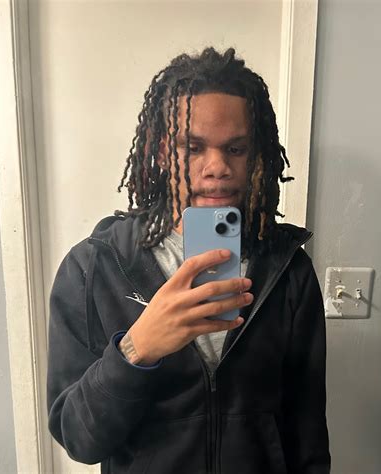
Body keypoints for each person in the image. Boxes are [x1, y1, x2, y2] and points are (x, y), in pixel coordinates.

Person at [47, 47, 330, 474]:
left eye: (235, 148)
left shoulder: (289, 270)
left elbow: (307, 431)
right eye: (193, 147)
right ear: (164, 151)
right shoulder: (94, 268)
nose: (217, 167)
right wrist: (137, 348)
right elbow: (79, 438)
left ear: (255, 154)